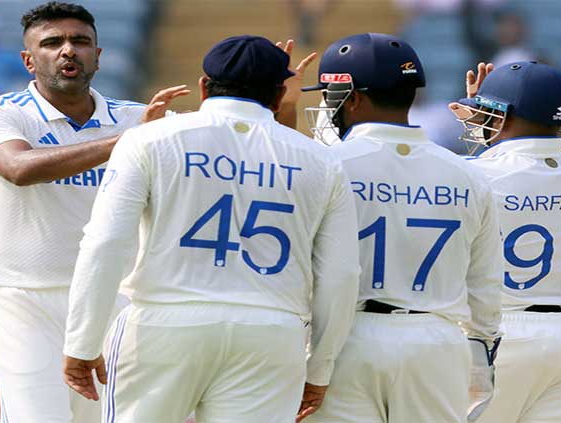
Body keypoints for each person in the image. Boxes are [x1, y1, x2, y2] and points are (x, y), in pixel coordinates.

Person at [62, 34, 360, 423]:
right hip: (270, 330)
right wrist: (320, 366)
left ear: (204, 87)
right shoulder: (321, 161)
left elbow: (106, 242)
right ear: (278, 95)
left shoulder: (148, 139)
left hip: (163, 323)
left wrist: (82, 341)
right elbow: (340, 273)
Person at [0, 2, 188, 422]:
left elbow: (223, 150)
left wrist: (271, 108)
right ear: (29, 60)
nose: (68, 51)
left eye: (80, 41)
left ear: (98, 57)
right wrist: (129, 142)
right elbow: (19, 168)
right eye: (52, 43)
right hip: (20, 298)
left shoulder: (138, 117)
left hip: (113, 300)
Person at [300, 33, 503, 423]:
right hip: (438, 342)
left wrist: (315, 363)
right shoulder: (469, 175)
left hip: (349, 339)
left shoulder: (326, 164)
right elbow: (486, 285)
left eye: (330, 96)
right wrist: (481, 360)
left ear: (354, 98)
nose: (327, 106)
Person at [448, 61, 561, 422]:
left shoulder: (474, 174)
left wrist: (481, 126)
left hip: (501, 335)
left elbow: (481, 180)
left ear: (505, 117)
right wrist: (491, 120)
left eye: (488, 112)